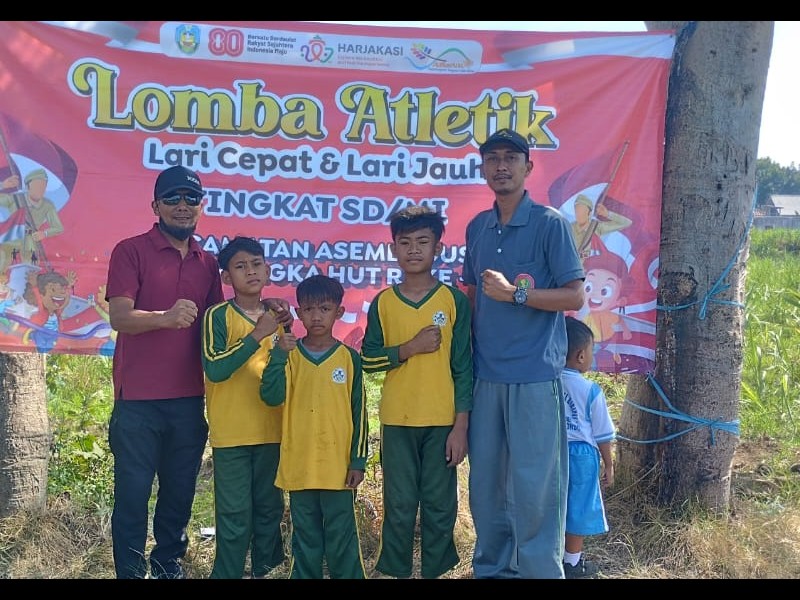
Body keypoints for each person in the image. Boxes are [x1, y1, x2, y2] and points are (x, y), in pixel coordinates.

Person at [105, 165, 291, 579]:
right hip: (137, 401)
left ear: (201, 206)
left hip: (189, 399)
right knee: (133, 496)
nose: (183, 205)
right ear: (155, 205)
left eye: (191, 198)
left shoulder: (207, 262)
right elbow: (119, 317)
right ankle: (130, 572)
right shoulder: (130, 250)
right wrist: (164, 317)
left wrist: (266, 304)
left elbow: (221, 319)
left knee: (179, 495)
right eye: (172, 198)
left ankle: (168, 566)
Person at [461, 128, 585, 579]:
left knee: (536, 488)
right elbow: (472, 297)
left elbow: (574, 297)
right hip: (486, 376)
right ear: (483, 169)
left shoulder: (550, 224)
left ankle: (539, 570)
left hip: (535, 376)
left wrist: (516, 293)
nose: (501, 166)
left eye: (511, 158)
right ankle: (492, 568)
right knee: (486, 487)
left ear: (528, 167)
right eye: (492, 158)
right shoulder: (477, 227)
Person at [361, 206, 473, 579]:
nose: (413, 250)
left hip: (442, 422)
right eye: (405, 242)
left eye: (422, 242)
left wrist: (461, 426)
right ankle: (396, 570)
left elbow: (463, 367)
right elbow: (369, 361)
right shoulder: (384, 303)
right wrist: (408, 349)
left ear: (438, 248)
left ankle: (435, 570)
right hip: (397, 421)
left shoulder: (453, 301)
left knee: (440, 505)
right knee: (399, 504)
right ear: (393, 248)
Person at [260, 274, 368, 579]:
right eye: (308, 309)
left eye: (324, 308)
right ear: (298, 313)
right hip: (300, 464)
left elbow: (359, 412)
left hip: (338, 467)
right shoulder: (290, 355)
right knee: (305, 537)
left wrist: (358, 461)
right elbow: (271, 396)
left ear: (339, 312)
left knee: (342, 536)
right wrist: (278, 355)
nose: (316, 316)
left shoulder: (349, 358)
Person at [201, 235, 289, 579]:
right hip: (232, 435)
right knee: (234, 516)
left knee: (269, 511)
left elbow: (284, 364)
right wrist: (256, 334)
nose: (250, 271)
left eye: (256, 264)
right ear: (227, 277)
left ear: (267, 270)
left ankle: (267, 571)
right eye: (240, 266)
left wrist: (273, 324)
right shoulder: (217, 315)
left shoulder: (278, 315)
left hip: (272, 430)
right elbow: (215, 368)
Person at [561, 316, 615, 579]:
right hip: (582, 456)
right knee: (579, 508)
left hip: (550, 453)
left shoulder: (546, 382)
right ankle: (571, 564)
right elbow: (603, 434)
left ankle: (548, 557)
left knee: (552, 506)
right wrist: (609, 464)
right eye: (592, 351)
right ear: (581, 356)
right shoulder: (591, 390)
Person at [0, 168, 64, 271]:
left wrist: (44, 233)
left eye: (43, 186)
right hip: (12, 239)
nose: (41, 189)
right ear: (28, 186)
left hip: (30, 242)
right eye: (37, 185)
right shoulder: (15, 198)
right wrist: (3, 185)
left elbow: (58, 227)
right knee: (2, 259)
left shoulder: (47, 205)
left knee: (31, 271)